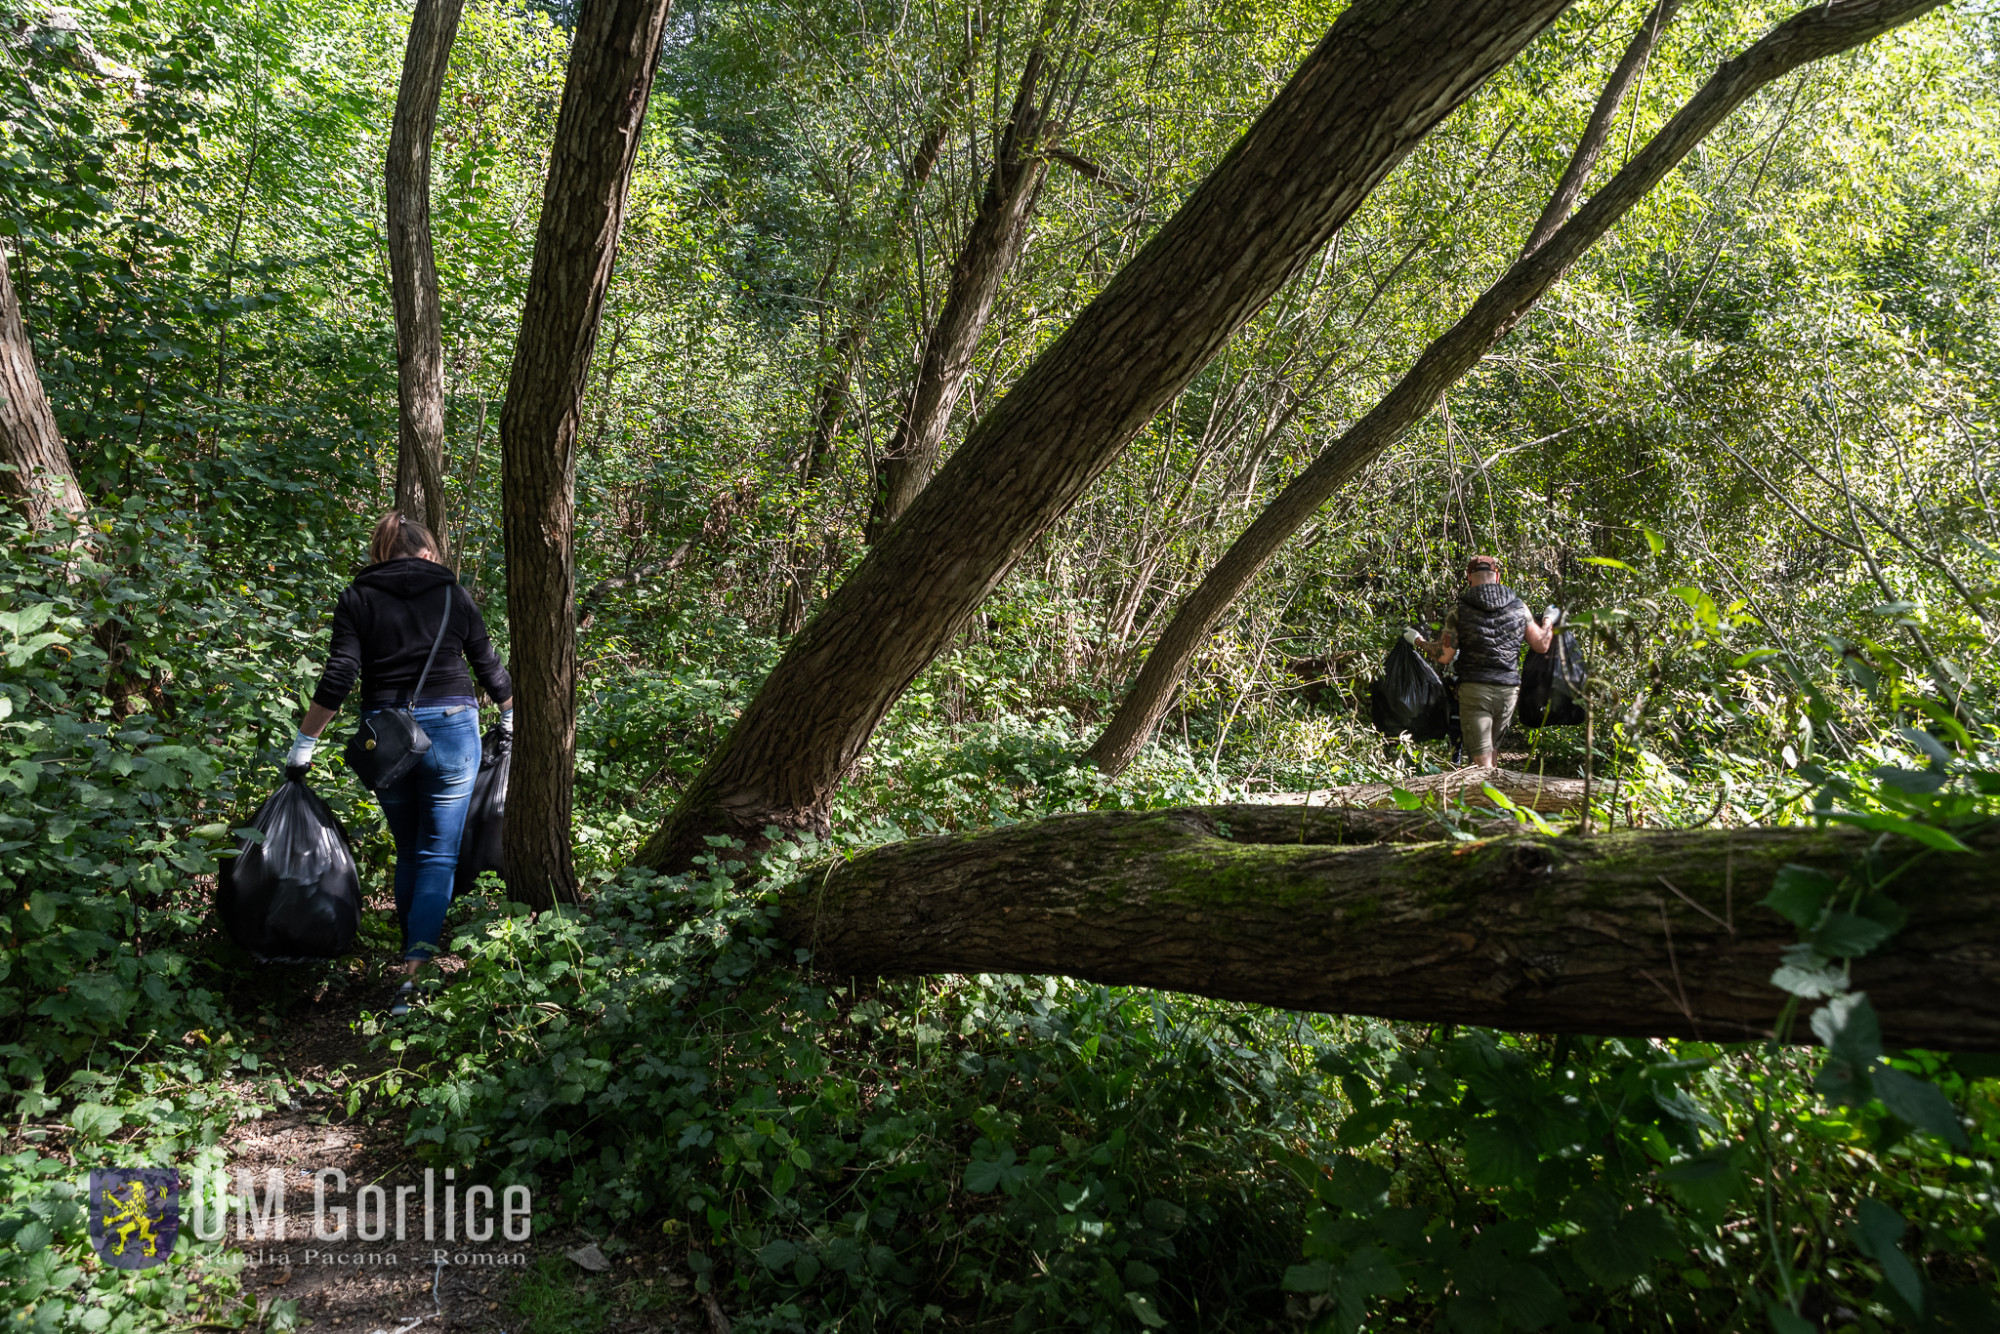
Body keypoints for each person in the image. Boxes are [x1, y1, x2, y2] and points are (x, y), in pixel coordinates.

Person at [286, 512, 513, 1015]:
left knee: (409, 849)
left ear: (381, 553)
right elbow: (487, 663)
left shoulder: (358, 597)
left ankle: (411, 961)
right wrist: (510, 714)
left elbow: (341, 673)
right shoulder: (454, 594)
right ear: (428, 552)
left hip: (387, 737)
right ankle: (415, 972)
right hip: (453, 729)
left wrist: (305, 743)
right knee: (438, 855)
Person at [1414, 555, 1556, 768]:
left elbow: (1444, 655)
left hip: (1474, 690)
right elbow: (1542, 644)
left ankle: (1488, 801)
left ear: (1469, 578)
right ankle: (1489, 800)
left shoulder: (1459, 610)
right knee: (1491, 756)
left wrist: (1418, 641)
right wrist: (1548, 620)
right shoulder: (1519, 607)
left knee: (1482, 764)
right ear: (1497, 576)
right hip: (1507, 691)